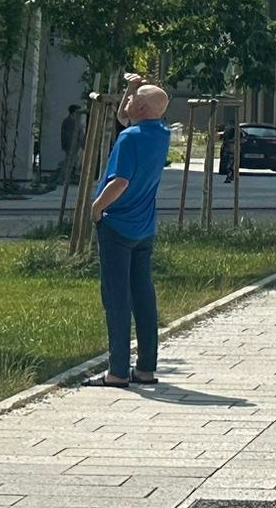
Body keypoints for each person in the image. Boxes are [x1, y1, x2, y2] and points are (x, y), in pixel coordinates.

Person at [83, 74, 169, 388]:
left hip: (117, 224)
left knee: (116, 298)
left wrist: (97, 208)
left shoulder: (129, 139)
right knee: (143, 296)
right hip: (144, 228)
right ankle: (146, 368)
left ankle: (117, 371)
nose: (127, 102)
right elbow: (125, 116)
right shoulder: (160, 133)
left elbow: (119, 181)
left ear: (143, 109)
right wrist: (131, 90)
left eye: (133, 99)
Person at [57, 103, 82, 186]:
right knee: (69, 163)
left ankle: (65, 179)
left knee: (70, 162)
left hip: (72, 146)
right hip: (72, 146)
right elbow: (70, 135)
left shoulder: (68, 121)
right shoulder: (71, 122)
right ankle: (63, 179)